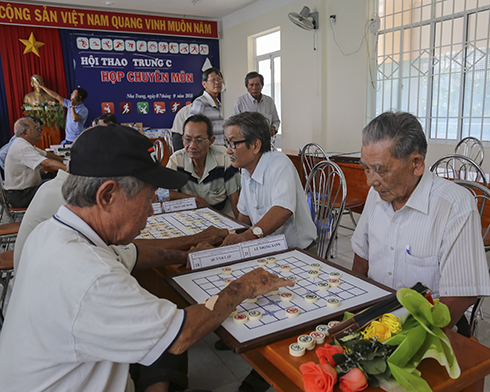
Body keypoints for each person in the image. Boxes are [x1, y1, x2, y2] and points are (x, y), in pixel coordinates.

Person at [0, 124, 293, 392]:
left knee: (163, 310)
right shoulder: (91, 276)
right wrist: (245, 286)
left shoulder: (56, 231)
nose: (151, 211)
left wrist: (188, 256)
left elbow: (135, 253)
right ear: (107, 196)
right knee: (171, 330)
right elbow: (182, 334)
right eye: (148, 198)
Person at [351, 111, 490, 336]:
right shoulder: (377, 194)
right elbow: (361, 260)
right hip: (376, 322)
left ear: (416, 164)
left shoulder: (454, 205)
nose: (371, 181)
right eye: (366, 168)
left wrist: (403, 337)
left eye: (381, 169)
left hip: (429, 329)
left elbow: (460, 296)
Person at [221, 112, 316, 249]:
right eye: (227, 143)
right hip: (266, 247)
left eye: (233, 143)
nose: (228, 150)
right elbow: (244, 216)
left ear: (255, 145)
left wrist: (248, 236)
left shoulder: (279, 163)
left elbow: (282, 209)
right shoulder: (246, 170)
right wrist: (231, 237)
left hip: (298, 250)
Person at [166, 114, 240, 218]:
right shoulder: (177, 160)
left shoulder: (224, 158)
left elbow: (235, 198)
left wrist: (241, 229)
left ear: (211, 140)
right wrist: (194, 199)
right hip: (189, 218)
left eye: (199, 140)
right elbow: (160, 193)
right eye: (187, 139)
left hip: (222, 218)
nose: (192, 146)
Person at [4, 117, 67, 208]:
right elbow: (47, 163)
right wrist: (69, 168)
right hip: (22, 195)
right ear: (24, 132)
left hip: (28, 190)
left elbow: (47, 154)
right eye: (36, 129)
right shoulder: (22, 147)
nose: (40, 131)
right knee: (63, 187)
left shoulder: (25, 143)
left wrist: (64, 161)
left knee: (57, 182)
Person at [34, 79, 89, 144]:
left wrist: (72, 106)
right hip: (68, 138)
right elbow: (56, 96)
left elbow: (75, 118)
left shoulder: (84, 109)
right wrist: (42, 86)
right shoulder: (69, 103)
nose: (71, 94)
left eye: (74, 93)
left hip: (78, 139)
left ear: (79, 97)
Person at [233, 71, 280, 137]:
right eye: (251, 85)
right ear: (247, 87)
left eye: (257, 84)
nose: (254, 88)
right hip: (248, 142)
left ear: (262, 86)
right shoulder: (240, 102)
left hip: (266, 141)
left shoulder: (269, 101)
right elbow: (235, 125)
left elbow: (276, 121)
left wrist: (274, 128)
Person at [189, 68, 224, 146]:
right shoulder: (200, 102)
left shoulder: (219, 103)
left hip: (221, 148)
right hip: (208, 149)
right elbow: (192, 126)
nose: (217, 82)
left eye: (219, 79)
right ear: (204, 84)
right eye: (213, 80)